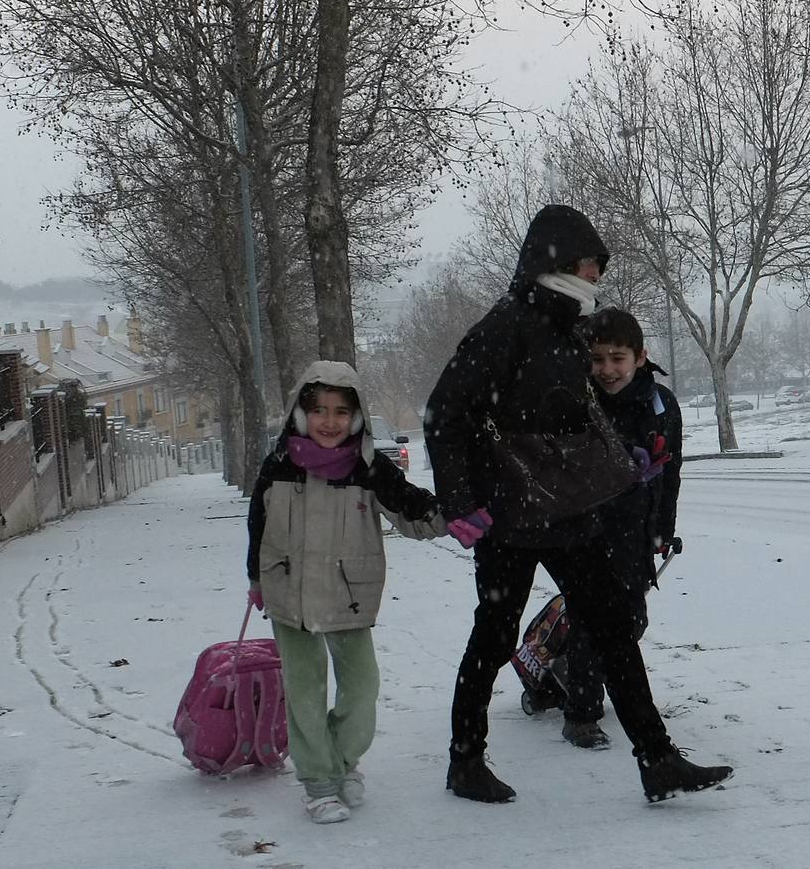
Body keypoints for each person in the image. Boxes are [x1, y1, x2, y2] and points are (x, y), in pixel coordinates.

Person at [424, 203, 732, 804]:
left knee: (615, 628)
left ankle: (657, 758)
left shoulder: (572, 329)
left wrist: (624, 463)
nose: (595, 275)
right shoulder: (505, 324)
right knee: (493, 635)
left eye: (596, 266)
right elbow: (444, 413)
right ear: (558, 261)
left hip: (570, 511)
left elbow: (579, 418)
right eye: (589, 264)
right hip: (510, 518)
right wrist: (461, 500)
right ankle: (465, 761)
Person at [246, 361, 445, 824]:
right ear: (301, 412)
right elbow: (258, 524)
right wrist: (256, 577)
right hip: (287, 591)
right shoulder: (278, 466)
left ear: (355, 417)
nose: (329, 422)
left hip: (347, 592)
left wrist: (455, 513)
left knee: (361, 689)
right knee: (305, 692)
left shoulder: (368, 469)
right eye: (319, 410)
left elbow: (413, 510)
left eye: (340, 411)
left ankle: (344, 759)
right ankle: (318, 782)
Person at [557, 307, 685, 751]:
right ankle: (582, 713)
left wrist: (663, 529)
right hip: (582, 528)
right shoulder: (575, 400)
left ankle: (570, 672)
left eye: (617, 358)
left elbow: (671, 473)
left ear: (640, 356)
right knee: (593, 616)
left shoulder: (661, 404)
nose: (607, 370)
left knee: (631, 618)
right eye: (596, 359)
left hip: (634, 530)